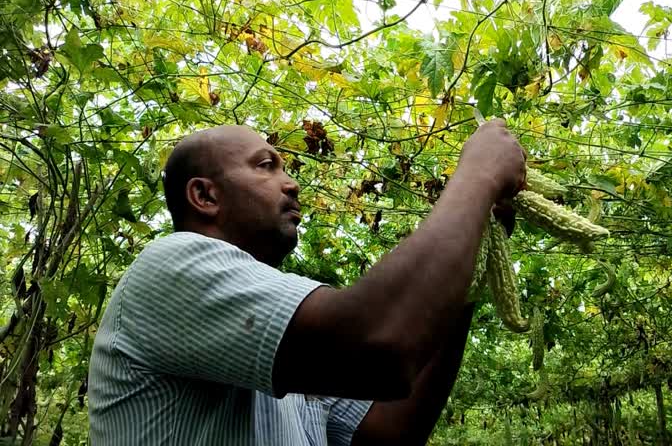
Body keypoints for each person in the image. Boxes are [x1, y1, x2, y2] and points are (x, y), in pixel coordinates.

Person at [87, 120, 527, 445]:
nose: (292, 183)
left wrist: (471, 272)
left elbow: (389, 432)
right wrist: (479, 175)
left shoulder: (281, 335)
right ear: (205, 196)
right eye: (266, 166)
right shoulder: (170, 266)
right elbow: (380, 346)